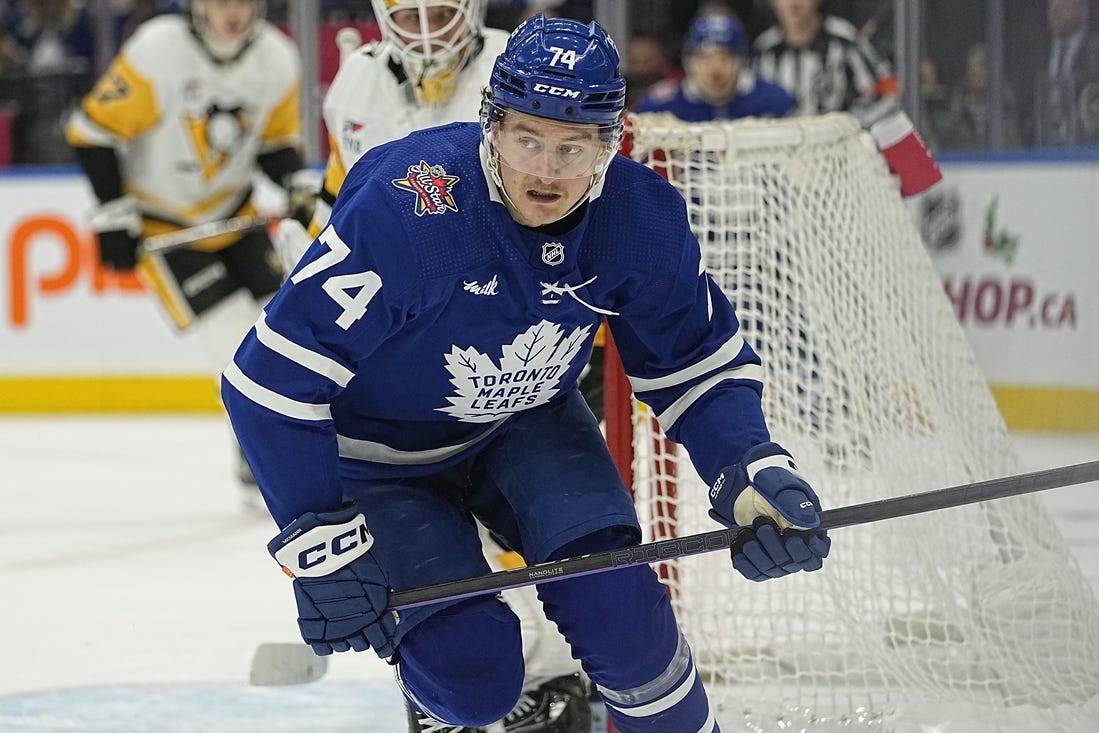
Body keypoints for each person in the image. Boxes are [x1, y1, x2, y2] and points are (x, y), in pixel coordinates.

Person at [223, 14, 830, 733]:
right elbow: (265, 383)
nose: (546, 170)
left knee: (627, 626)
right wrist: (321, 545)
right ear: (489, 126)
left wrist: (748, 464)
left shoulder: (639, 218)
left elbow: (693, 360)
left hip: (526, 420)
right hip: (378, 462)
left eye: (573, 146)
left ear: (610, 142)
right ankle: (438, 680)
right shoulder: (411, 204)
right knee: (472, 679)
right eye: (526, 139)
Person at [272, 2, 590, 731]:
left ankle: (558, 669)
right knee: (426, 517)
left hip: (520, 333)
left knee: (539, 519)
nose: (423, 29)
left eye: (439, 10)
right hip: (402, 347)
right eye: (406, 12)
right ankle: (467, 676)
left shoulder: (525, 61)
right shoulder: (354, 82)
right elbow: (345, 197)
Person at [66, 0, 309, 500]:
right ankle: (257, 449)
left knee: (286, 333)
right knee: (234, 348)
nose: (234, 12)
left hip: (235, 215)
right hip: (167, 225)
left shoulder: (277, 57)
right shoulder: (159, 49)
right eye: (222, 1)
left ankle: (282, 445)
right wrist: (113, 213)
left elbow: (275, 145)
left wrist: (296, 190)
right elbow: (91, 132)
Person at [753, 0, 940, 197]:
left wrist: (843, 125)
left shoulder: (844, 40)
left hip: (847, 176)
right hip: (785, 183)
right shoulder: (765, 51)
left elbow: (888, 93)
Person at [634, 13, 795, 121]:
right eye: (705, 58)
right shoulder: (659, 107)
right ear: (690, 63)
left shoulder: (773, 100)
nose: (715, 69)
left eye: (725, 58)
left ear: (741, 61)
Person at [1032, 0, 1099, 146]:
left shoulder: (1094, 50)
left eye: (1064, 6)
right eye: (1052, 6)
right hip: (1040, 146)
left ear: (1083, 11)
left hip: (1086, 148)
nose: (1055, 12)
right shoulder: (1033, 52)